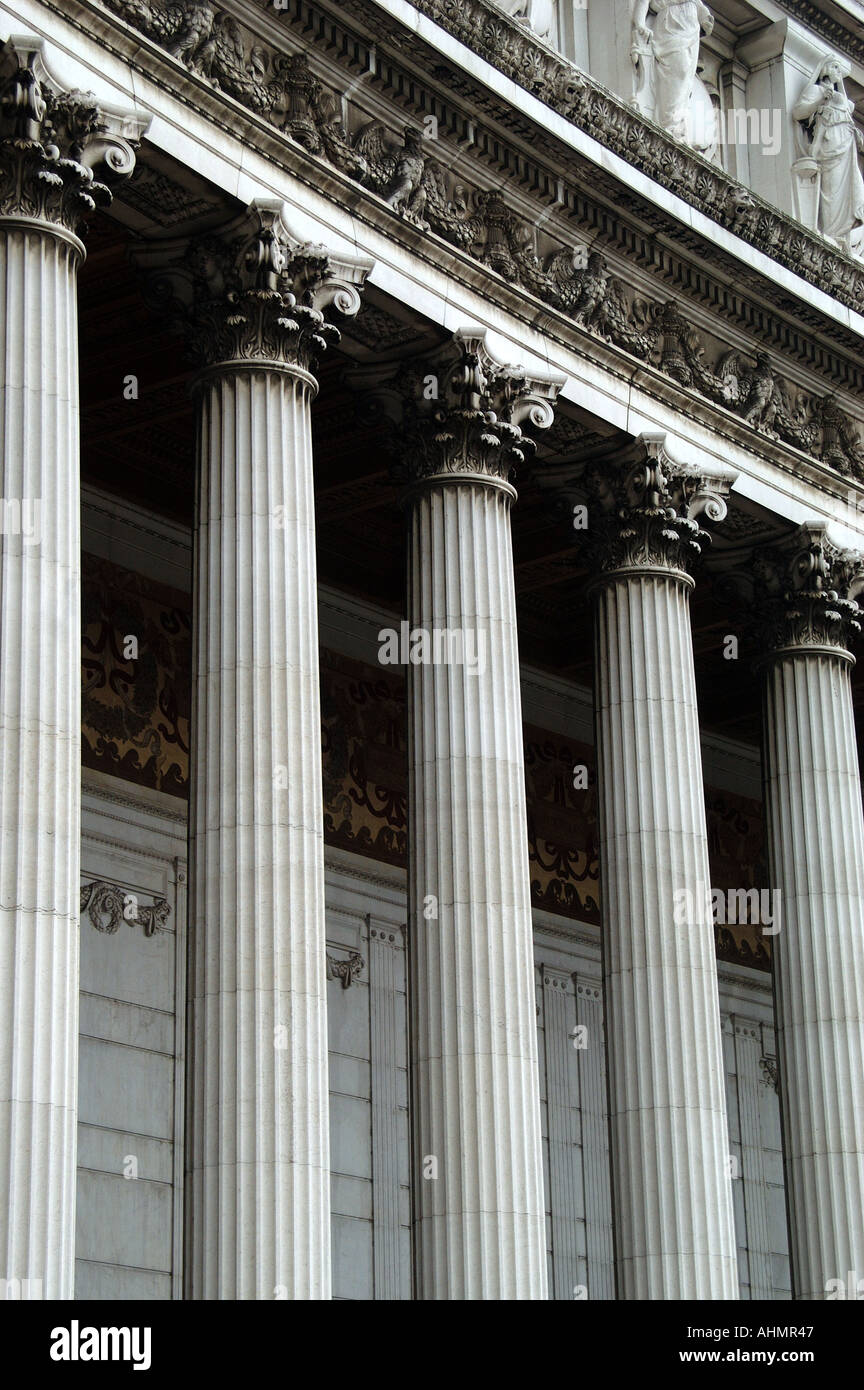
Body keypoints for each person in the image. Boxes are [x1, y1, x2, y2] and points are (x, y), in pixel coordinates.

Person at [793, 55, 864, 254]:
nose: (837, 71)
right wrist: (820, 101)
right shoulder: (816, 90)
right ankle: (833, 232)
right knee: (831, 193)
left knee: (852, 190)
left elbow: (848, 108)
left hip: (846, 150)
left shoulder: (840, 97)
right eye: (833, 66)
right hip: (828, 149)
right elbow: (798, 113)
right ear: (823, 69)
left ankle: (844, 234)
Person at [632, 0, 714, 142]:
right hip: (670, 24)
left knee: (686, 80)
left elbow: (701, 10)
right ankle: (668, 123)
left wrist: (703, 15)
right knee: (678, 71)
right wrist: (640, 24)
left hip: (691, 30)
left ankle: (678, 124)